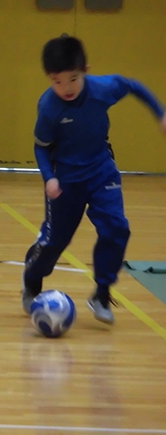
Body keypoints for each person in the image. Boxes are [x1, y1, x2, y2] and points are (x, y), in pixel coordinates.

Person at [21, 35, 166, 324]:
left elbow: (133, 86)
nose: (65, 88)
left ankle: (101, 292)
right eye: (57, 81)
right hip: (65, 180)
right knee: (54, 241)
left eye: (73, 79)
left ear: (86, 70)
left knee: (116, 227)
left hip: (101, 171)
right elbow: (41, 146)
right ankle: (32, 282)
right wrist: (49, 178)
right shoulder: (49, 107)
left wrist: (160, 114)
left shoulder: (103, 88)